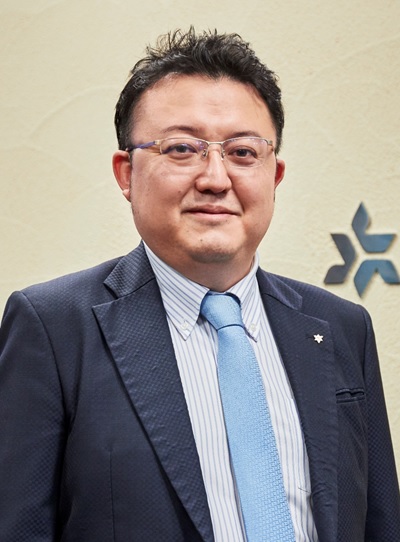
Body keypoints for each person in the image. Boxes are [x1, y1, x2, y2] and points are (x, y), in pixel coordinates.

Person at [0, 28, 399, 542]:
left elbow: (379, 522)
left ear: (274, 176)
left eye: (243, 152)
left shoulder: (342, 327)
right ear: (126, 173)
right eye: (182, 148)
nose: (215, 178)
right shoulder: (53, 328)